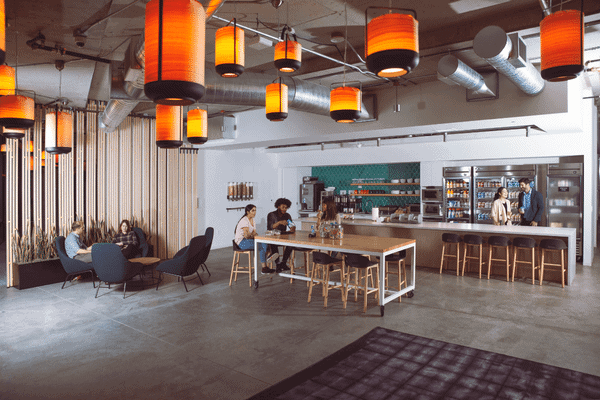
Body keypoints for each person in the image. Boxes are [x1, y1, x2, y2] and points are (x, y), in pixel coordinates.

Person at [235, 204, 278, 274]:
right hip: (241, 243)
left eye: (255, 210)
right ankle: (268, 254)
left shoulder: (253, 220)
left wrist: (252, 235)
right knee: (261, 245)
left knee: (262, 243)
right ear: (248, 212)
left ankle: (264, 267)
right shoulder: (244, 220)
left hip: (248, 240)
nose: (255, 212)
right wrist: (252, 235)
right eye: (253, 211)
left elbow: (254, 234)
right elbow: (247, 236)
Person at [267, 198, 296, 273]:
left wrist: (293, 227)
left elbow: (292, 226)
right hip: (273, 236)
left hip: (283, 236)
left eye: (286, 208)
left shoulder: (287, 215)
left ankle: (283, 262)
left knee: (291, 244)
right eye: (283, 207)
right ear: (278, 206)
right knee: (273, 244)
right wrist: (279, 222)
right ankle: (278, 264)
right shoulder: (271, 215)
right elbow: (270, 227)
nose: (285, 209)